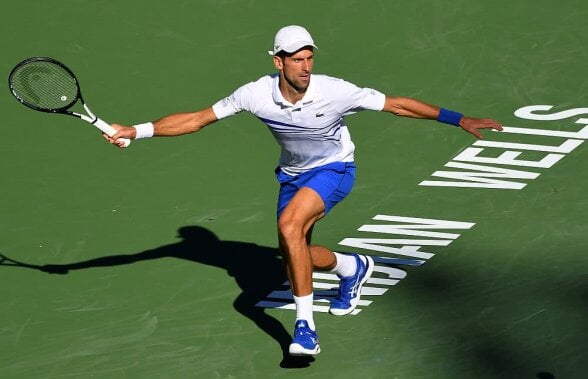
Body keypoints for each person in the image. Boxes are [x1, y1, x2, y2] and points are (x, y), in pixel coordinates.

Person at [105, 25, 503, 357]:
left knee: (290, 226)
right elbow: (196, 119)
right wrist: (136, 131)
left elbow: (397, 105)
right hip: (292, 176)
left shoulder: (335, 91)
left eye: (309, 58)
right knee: (293, 254)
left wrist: (459, 119)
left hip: (335, 169)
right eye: (296, 59)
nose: (305, 67)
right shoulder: (254, 93)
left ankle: (304, 327)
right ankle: (353, 268)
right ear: (278, 61)